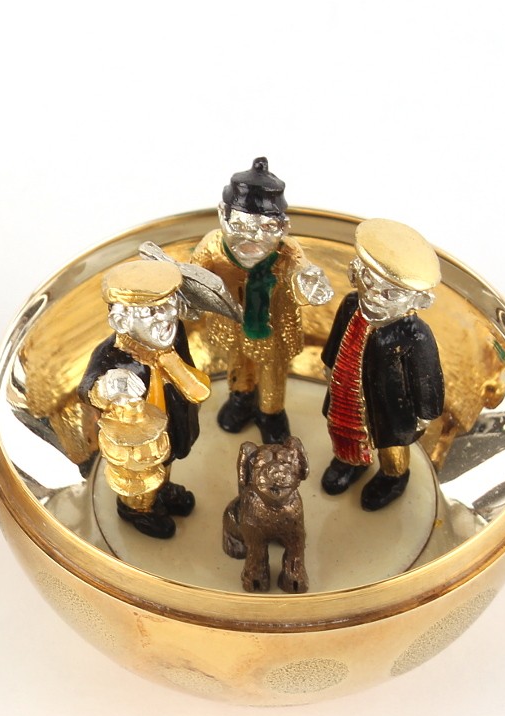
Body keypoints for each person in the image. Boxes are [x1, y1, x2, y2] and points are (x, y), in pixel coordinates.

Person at [190, 157, 333, 444]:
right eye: (240, 226)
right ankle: (240, 398)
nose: (251, 238)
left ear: (283, 227)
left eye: (265, 228)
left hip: (272, 329)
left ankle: (271, 413)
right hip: (232, 324)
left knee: (272, 372)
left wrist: (309, 283)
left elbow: (301, 272)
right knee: (237, 363)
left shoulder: (287, 251)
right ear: (222, 215)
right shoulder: (213, 246)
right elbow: (195, 275)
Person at [320, 219, 445, 511]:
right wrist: (329, 366)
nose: (375, 295)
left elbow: (427, 377)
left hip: (392, 408)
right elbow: (336, 340)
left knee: (392, 448)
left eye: (392, 293)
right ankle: (350, 461)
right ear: (355, 272)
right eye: (369, 280)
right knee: (342, 428)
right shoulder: (351, 305)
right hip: (347, 391)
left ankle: (394, 477)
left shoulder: (415, 334)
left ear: (419, 299)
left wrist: (425, 413)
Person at [80, 260, 210, 538]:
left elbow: (189, 375)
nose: (167, 316)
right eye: (151, 311)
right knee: (139, 476)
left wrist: (172, 364)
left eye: (170, 304)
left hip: (170, 423)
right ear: (121, 321)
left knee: (166, 460)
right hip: (136, 440)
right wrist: (106, 388)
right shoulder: (110, 355)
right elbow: (87, 389)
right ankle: (138, 510)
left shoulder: (174, 336)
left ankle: (161, 490)